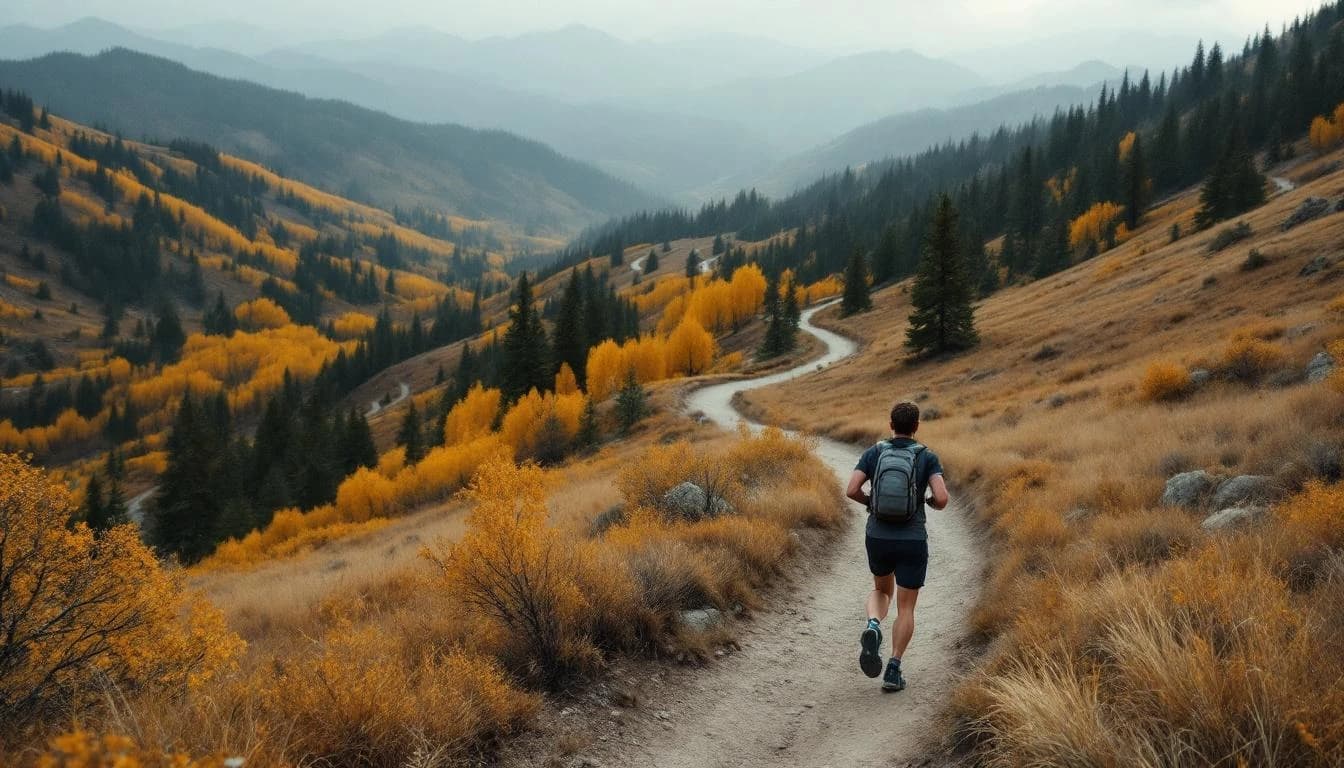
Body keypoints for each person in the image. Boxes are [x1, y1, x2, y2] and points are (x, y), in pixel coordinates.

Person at [845, 401, 948, 691]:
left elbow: (852, 489)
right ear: (916, 427)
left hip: (877, 536)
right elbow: (941, 498)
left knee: (881, 590)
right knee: (906, 607)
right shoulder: (927, 456)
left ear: (891, 424)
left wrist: (872, 505)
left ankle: (874, 625)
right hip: (912, 539)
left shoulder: (875, 452)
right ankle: (893, 668)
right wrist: (926, 503)